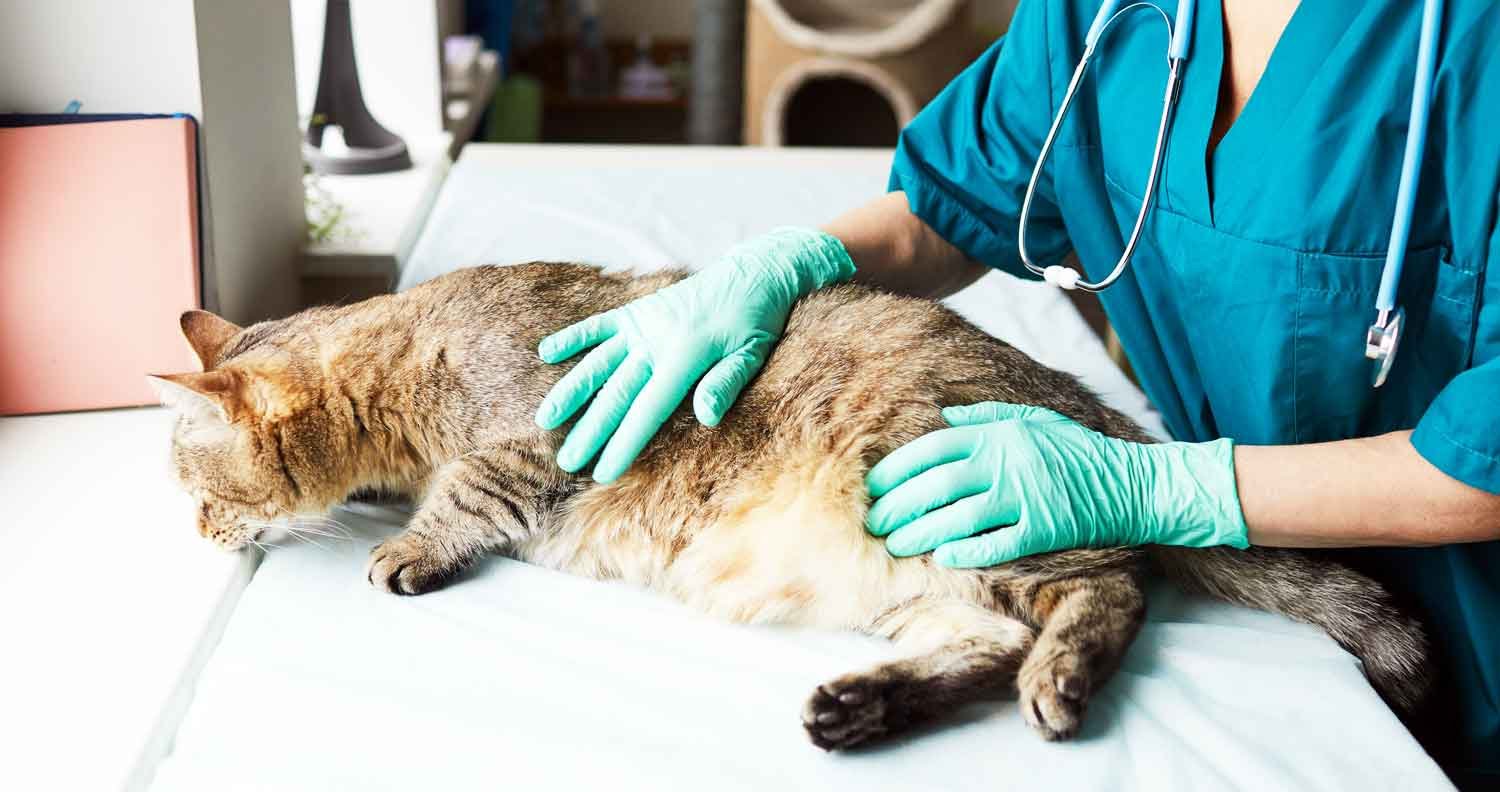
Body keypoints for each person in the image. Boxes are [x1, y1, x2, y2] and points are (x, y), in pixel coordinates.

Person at [532, 0, 1499, 785]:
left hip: (1469, 607)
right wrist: (797, 261)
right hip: (1254, 587)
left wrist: (1156, 492)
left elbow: (1485, 462)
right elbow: (963, 198)